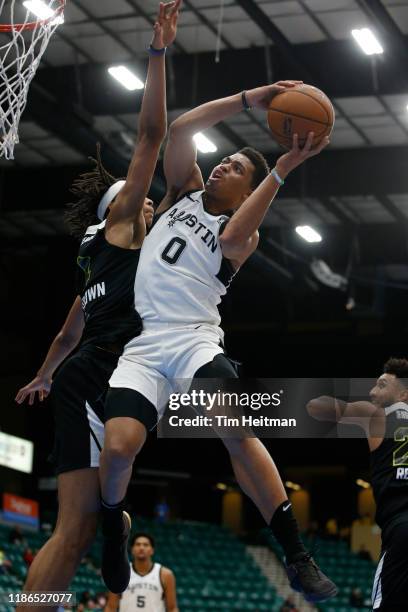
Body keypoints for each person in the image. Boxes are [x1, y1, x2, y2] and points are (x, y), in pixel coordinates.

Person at [100, 84, 337, 603]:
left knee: (236, 424)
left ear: (250, 190)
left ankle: (295, 552)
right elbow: (182, 129)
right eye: (223, 160)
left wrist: (281, 170)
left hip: (195, 341)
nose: (221, 167)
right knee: (118, 448)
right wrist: (252, 98)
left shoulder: (241, 232)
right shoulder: (181, 191)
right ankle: (112, 524)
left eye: (234, 169)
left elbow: (230, 243)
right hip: (145, 344)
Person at [14, 2, 181, 607]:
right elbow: (152, 136)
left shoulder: (95, 256)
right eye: (140, 200)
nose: (149, 205)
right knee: (77, 527)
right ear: (120, 205)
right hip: (104, 376)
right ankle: (114, 519)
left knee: (72, 530)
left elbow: (65, 334)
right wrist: (158, 54)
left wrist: (42, 375)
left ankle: (106, 526)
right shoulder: (119, 228)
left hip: (86, 372)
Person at [307, 357, 408, 610]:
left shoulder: (376, 415)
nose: (374, 391)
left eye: (382, 385)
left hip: (402, 528)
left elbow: (315, 407)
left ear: (403, 394)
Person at [104, 533, 178, 612]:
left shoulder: (165, 574)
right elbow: (111, 606)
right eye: (138, 544)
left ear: (152, 550)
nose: (141, 547)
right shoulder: (121, 572)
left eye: (145, 545)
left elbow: (172, 608)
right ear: (132, 549)